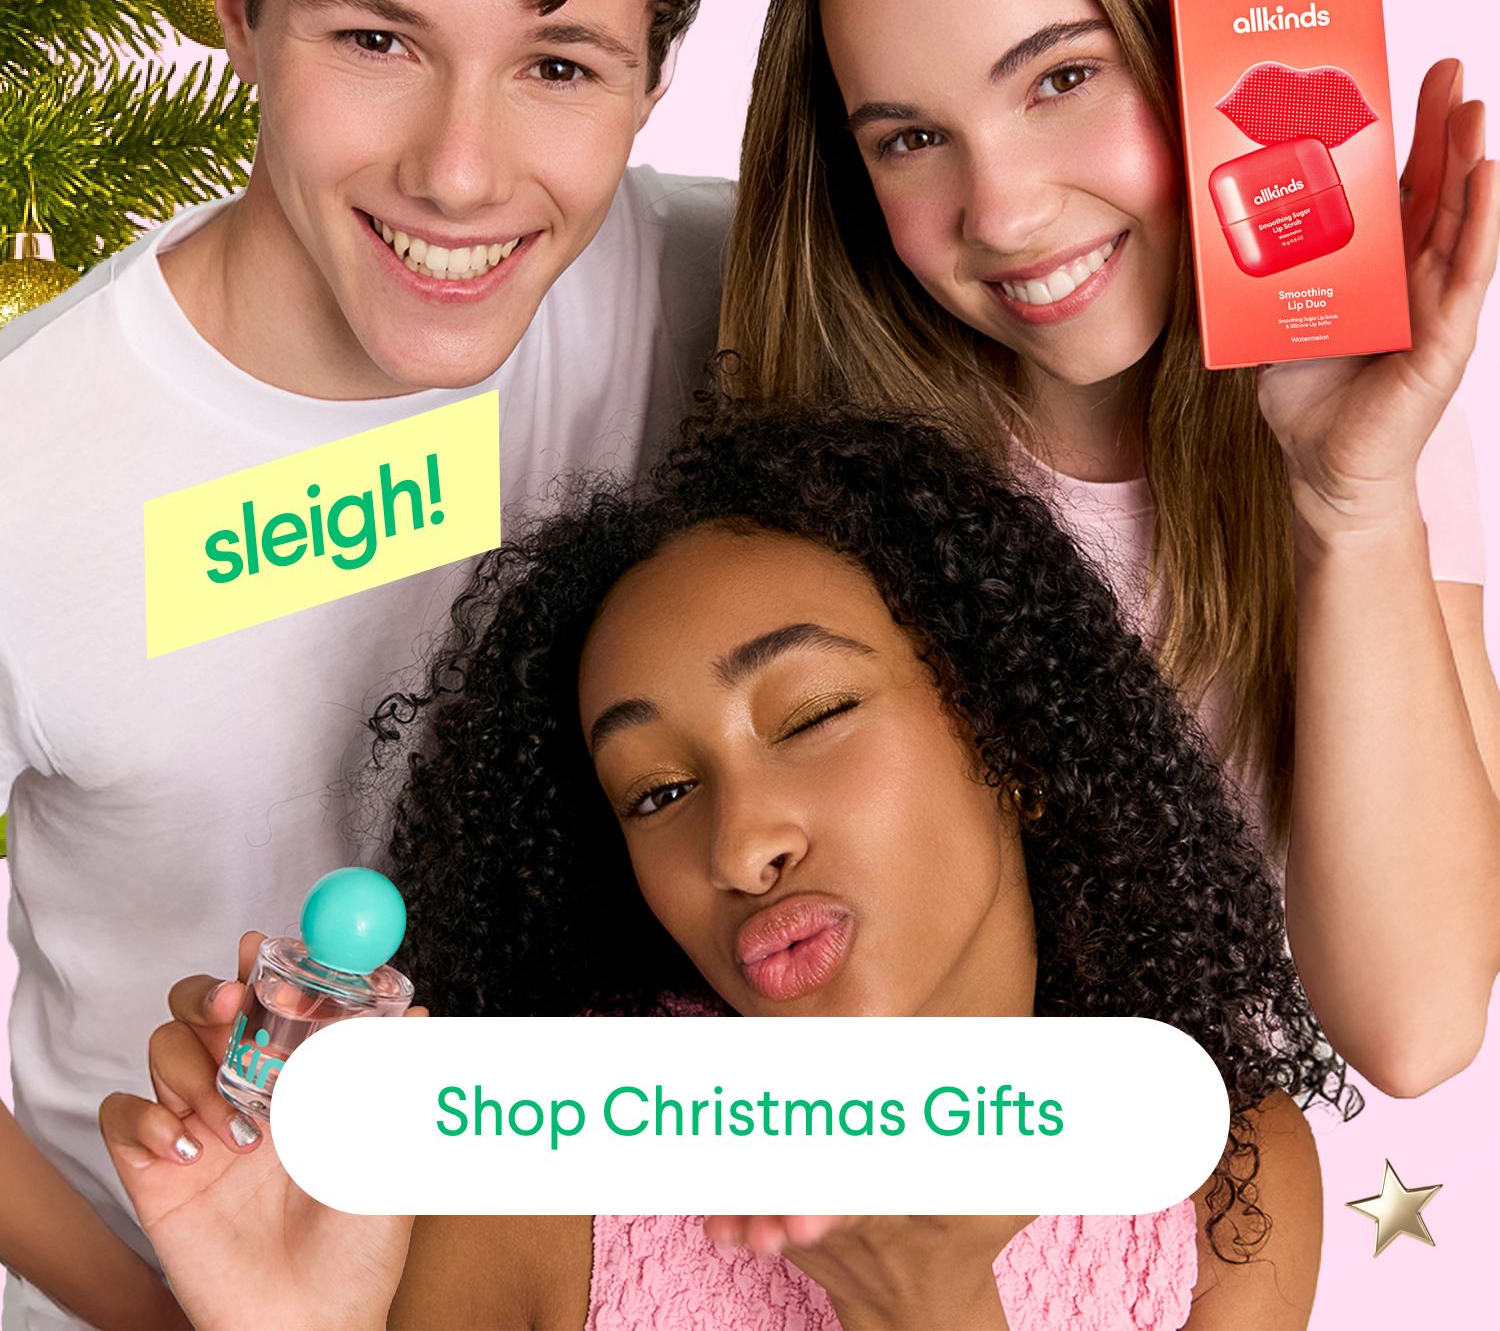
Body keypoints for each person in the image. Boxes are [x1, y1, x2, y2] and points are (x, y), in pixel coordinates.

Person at [0, 0, 739, 1330]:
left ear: (647, 88)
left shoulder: (720, 291)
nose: (462, 174)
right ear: (240, 12)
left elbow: (1026, 219)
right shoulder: (33, 469)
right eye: (377, 40)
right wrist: (168, 1310)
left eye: (558, 65)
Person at [102, 405, 1343, 1330]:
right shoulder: (546, 1178)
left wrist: (928, 1305)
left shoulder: (1224, 1182)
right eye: (658, 792)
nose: (742, 846)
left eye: (808, 714)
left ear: (1009, 732)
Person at [722, 0, 1500, 1099]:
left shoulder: (1371, 402)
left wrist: (1353, 502)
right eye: (911, 136)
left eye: (1063, 78)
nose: (1007, 212)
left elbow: (1417, 1025)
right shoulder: (831, 476)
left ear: (1197, 37)